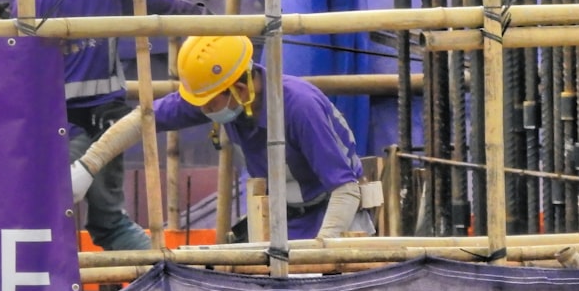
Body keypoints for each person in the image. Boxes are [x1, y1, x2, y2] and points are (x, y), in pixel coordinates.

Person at [0, 0, 209, 251]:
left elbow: (17, 73)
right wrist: (212, 22)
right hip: (111, 126)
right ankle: (165, 279)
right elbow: (161, 4)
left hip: (63, 128)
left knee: (38, 218)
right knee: (109, 224)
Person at [69, 34, 375, 240]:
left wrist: (321, 252)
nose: (203, 109)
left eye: (209, 102)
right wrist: (88, 166)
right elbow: (142, 119)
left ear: (241, 89)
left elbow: (345, 190)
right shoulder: (219, 96)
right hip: (280, 219)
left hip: (337, 219)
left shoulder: (298, 107)